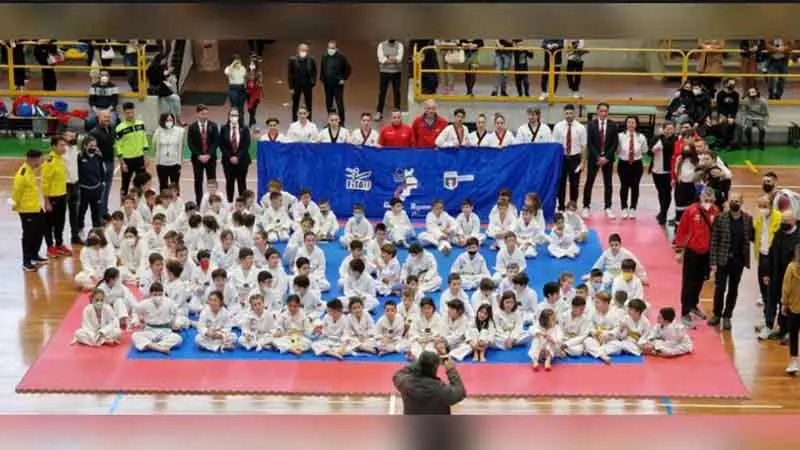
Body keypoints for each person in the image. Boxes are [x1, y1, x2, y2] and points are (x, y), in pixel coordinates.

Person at [708, 192, 754, 330]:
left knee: (733, 289)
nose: (735, 202)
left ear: (742, 202)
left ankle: (727, 315)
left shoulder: (747, 219)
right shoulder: (720, 218)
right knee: (720, 288)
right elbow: (714, 240)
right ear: (729, 202)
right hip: (723, 260)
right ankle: (716, 314)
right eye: (732, 200)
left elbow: (751, 237)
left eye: (737, 200)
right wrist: (713, 261)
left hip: (738, 261)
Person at [675, 187, 719, 327]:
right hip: (692, 252)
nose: (708, 201)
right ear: (700, 197)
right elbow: (682, 230)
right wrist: (679, 250)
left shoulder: (716, 212)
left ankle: (693, 305)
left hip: (707, 254)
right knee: (688, 282)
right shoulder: (691, 210)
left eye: (710, 199)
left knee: (700, 281)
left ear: (714, 200)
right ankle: (685, 311)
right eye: (705, 198)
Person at [392, 350, 466, 415]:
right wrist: (451, 370)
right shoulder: (442, 390)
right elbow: (460, 391)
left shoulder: (406, 384)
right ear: (436, 367)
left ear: (418, 365)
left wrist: (419, 362)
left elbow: (398, 374)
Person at [764, 210, 800, 342]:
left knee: (792, 305)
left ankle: (791, 333)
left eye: (786, 221)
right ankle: (782, 329)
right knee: (780, 302)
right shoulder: (778, 234)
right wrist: (767, 273)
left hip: (794, 277)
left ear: (794, 220)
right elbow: (771, 254)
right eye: (782, 221)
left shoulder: (798, 236)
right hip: (777, 275)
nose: (784, 224)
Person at [12, 149, 47, 271]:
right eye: (39, 159)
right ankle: (26, 262)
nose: (40, 162)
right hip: (27, 210)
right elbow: (17, 192)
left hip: (36, 208)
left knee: (41, 230)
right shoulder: (22, 174)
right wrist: (16, 205)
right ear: (32, 159)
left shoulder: (30, 170)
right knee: (28, 235)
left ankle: (34, 255)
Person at [583, 103, 618, 218]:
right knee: (589, 182)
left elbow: (614, 144)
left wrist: (606, 157)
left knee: (608, 184)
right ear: (597, 111)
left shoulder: (613, 125)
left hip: (608, 159)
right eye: (601, 111)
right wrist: (598, 157)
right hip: (594, 158)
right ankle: (586, 206)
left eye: (605, 111)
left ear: (608, 112)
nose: (603, 113)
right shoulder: (591, 124)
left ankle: (608, 207)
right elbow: (590, 143)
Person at [41, 135, 72, 259]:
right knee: (49, 224)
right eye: (61, 145)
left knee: (60, 222)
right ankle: (50, 247)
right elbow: (45, 182)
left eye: (64, 145)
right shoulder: (50, 161)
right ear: (54, 146)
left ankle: (59, 244)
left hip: (62, 195)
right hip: (52, 198)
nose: (64, 147)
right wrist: (47, 201)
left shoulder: (61, 159)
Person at [755, 195, 782, 338]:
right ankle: (767, 320)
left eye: (764, 206)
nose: (762, 209)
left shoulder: (778, 218)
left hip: (774, 260)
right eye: (760, 206)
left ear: (772, 205)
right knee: (764, 292)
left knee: (772, 293)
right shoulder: (759, 219)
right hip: (762, 257)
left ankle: (771, 324)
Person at [551, 104, 586, 211]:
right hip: (562, 159)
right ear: (564, 114)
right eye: (566, 113)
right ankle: (561, 207)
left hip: (575, 159)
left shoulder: (581, 128)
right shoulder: (558, 127)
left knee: (574, 185)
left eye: (571, 113)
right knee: (561, 184)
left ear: (574, 113)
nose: (568, 115)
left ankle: (572, 207)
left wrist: (583, 162)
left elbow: (584, 146)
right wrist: (555, 162)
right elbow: (555, 146)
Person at [616, 116, 648, 220]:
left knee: (635, 186)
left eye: (633, 123)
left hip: (637, 164)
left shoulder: (641, 137)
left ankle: (633, 208)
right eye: (629, 122)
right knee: (624, 186)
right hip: (623, 164)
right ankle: (624, 208)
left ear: (636, 124)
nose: (631, 125)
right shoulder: (620, 136)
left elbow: (644, 150)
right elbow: (616, 150)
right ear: (626, 124)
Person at [187, 105, 220, 204]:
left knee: (212, 181)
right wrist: (199, 155)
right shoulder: (192, 127)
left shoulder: (213, 126)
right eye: (202, 114)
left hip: (211, 159)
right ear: (197, 114)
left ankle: (213, 201)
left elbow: (216, 141)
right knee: (198, 181)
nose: (205, 116)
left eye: (206, 114)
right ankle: (199, 202)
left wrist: (209, 154)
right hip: (197, 159)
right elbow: (190, 143)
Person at [115, 102, 148, 199]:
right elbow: (118, 146)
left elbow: (144, 139)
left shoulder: (141, 124)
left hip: (140, 158)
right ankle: (123, 203)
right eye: (127, 113)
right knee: (125, 184)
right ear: (124, 113)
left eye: (131, 112)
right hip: (127, 160)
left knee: (141, 183)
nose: (130, 115)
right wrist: (122, 163)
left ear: (134, 112)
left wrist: (145, 157)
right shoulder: (120, 128)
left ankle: (140, 202)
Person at [648, 122, 678, 225]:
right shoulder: (656, 138)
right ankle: (662, 211)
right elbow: (649, 152)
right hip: (656, 170)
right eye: (667, 129)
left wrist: (663, 143)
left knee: (667, 193)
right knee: (660, 192)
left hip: (668, 171)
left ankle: (663, 214)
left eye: (671, 129)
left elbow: (671, 148)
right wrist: (653, 149)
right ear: (663, 129)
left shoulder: (675, 139)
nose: (669, 131)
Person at [219, 108, 251, 203]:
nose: (234, 117)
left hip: (242, 161)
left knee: (242, 183)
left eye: (235, 115)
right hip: (228, 162)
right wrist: (230, 157)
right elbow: (222, 145)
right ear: (229, 116)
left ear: (239, 116)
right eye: (232, 115)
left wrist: (238, 157)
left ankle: (242, 204)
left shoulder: (244, 128)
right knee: (229, 183)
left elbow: (246, 144)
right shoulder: (224, 128)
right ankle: (229, 203)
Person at [76, 136, 106, 232]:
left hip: (96, 189)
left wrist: (101, 183)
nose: (93, 147)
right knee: (82, 210)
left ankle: (96, 229)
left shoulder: (99, 157)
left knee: (96, 211)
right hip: (83, 190)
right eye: (91, 145)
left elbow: (102, 171)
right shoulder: (79, 157)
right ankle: (80, 228)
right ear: (85, 146)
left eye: (95, 145)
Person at [90, 110, 116, 216]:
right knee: (101, 189)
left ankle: (104, 211)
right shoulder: (94, 132)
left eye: (109, 117)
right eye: (105, 117)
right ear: (99, 118)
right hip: (101, 164)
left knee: (107, 188)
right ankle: (100, 213)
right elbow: (93, 149)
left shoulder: (111, 129)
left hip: (110, 162)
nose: (107, 119)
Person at [320, 40, 351, 126]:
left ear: (336, 48)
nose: (331, 49)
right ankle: (330, 121)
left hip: (338, 84)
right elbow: (322, 68)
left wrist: (343, 78)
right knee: (328, 103)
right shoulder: (324, 56)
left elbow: (348, 68)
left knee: (339, 103)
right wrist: (322, 79)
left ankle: (341, 122)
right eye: (329, 48)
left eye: (332, 48)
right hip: (327, 84)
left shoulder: (342, 57)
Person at [153, 113, 185, 192]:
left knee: (175, 186)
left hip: (175, 164)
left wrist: (180, 162)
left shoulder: (180, 131)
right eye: (167, 120)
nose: (169, 122)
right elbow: (154, 147)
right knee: (163, 186)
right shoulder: (158, 132)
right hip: (161, 164)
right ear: (162, 121)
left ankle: (176, 203)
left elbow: (182, 147)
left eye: (171, 120)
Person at [781, 244, 800, 374]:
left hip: (794, 308)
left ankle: (794, 361)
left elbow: (786, 287)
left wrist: (784, 303)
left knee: (793, 335)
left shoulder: (791, 268)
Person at [375, 39, 404, 121]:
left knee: (397, 92)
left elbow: (399, 59)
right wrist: (393, 58)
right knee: (382, 92)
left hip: (397, 72)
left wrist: (387, 57)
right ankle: (379, 112)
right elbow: (381, 59)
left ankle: (397, 114)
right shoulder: (381, 45)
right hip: (384, 72)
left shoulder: (400, 45)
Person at [288, 43, 317, 122]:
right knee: (295, 104)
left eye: (305, 50)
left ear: (307, 51)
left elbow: (314, 72)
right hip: (296, 85)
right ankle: (294, 120)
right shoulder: (292, 60)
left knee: (308, 104)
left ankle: (309, 120)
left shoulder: (311, 59)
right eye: (302, 50)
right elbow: (290, 74)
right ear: (298, 50)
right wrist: (291, 87)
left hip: (307, 85)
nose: (303, 51)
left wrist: (313, 82)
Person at [742, 87, 769, 151]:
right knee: (747, 128)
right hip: (749, 117)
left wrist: (765, 124)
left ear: (757, 93)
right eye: (750, 95)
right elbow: (744, 112)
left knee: (762, 129)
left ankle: (761, 142)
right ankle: (749, 143)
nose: (752, 97)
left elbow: (766, 114)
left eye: (754, 95)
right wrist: (744, 123)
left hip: (760, 118)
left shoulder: (763, 101)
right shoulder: (745, 100)